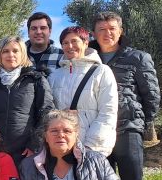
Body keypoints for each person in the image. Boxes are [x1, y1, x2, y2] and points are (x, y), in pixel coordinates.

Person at [91, 11, 160, 180]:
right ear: (94, 33)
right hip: (98, 133)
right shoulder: (89, 56)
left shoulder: (137, 58)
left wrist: (141, 125)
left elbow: (151, 96)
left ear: (120, 30)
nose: (106, 33)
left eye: (111, 28)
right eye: (101, 29)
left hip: (127, 130)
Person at [0, 36, 54, 165]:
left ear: (23, 53)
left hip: (26, 152)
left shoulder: (36, 80)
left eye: (15, 51)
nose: (10, 55)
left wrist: (34, 144)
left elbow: (47, 113)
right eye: (5, 51)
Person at [48, 27, 118, 156]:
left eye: (74, 41)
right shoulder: (54, 76)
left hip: (91, 148)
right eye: (65, 43)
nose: (70, 46)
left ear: (86, 43)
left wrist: (91, 145)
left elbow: (108, 112)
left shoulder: (102, 72)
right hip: (63, 148)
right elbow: (48, 111)